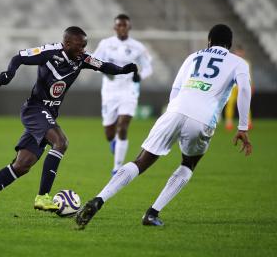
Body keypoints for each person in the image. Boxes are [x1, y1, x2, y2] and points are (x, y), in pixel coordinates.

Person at [75, 24, 252, 229]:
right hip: (202, 118)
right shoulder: (238, 62)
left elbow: (175, 89)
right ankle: (152, 213)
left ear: (209, 41)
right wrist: (242, 127)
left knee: (141, 161)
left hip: (175, 110)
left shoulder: (193, 57)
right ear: (229, 45)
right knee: (188, 164)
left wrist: (173, 115)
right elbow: (245, 89)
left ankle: (98, 200)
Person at [0, 26, 137, 216]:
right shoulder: (50, 53)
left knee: (21, 166)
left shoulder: (82, 59)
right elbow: (19, 57)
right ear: (67, 43)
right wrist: (9, 73)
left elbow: (102, 65)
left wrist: (123, 70)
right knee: (61, 142)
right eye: (79, 46)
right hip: (35, 109)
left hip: (48, 114)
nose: (83, 50)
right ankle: (43, 197)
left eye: (85, 46)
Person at [93, 14, 152, 174]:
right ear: (115, 27)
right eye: (119, 25)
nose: (122, 28)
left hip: (129, 90)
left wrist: (139, 76)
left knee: (123, 126)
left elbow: (148, 68)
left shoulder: (138, 47)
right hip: (110, 90)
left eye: (124, 25)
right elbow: (93, 61)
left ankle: (117, 167)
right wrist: (105, 72)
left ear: (129, 27)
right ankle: (114, 143)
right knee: (109, 132)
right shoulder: (105, 44)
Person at [225, 46, 252, 131]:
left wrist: (251, 84)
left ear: (243, 53)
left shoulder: (247, 62)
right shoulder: (232, 62)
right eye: (238, 52)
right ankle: (229, 122)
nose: (239, 54)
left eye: (241, 52)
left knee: (246, 103)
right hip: (233, 86)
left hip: (243, 85)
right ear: (235, 53)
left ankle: (248, 122)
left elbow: (249, 75)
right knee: (230, 104)